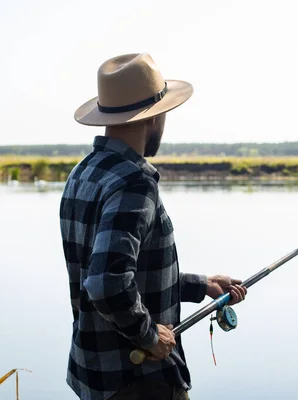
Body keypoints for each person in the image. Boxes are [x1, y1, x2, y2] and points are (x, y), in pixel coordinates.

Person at [60, 52, 247, 400]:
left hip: (95, 380)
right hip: (140, 384)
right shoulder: (134, 182)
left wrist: (202, 285)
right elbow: (107, 283)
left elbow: (124, 272)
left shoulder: (82, 174)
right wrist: (148, 335)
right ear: (153, 118)